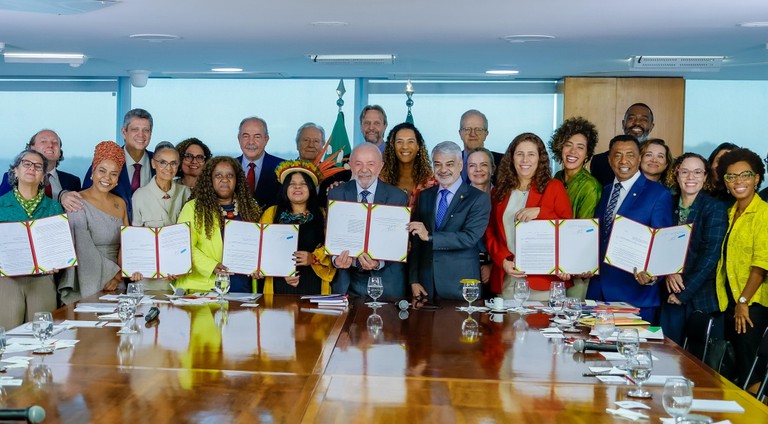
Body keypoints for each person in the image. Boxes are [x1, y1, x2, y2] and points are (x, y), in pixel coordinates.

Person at [587, 135, 673, 323]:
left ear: (639, 158)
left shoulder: (658, 194)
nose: (623, 161)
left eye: (630, 155)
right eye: (617, 155)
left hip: (635, 296)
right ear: (610, 160)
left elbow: (663, 244)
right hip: (597, 293)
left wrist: (653, 276)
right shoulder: (606, 191)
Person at [484, 133, 572, 300]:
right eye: (520, 154)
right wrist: (502, 260)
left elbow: (568, 229)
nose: (525, 160)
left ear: (540, 159)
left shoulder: (554, 187)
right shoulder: (498, 191)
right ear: (512, 158)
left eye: (531, 154)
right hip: (508, 279)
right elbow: (490, 232)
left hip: (544, 283)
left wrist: (540, 212)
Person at [408, 141, 490, 304]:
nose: (443, 170)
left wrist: (430, 237)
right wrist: (414, 279)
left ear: (460, 165)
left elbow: (469, 238)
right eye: (438, 164)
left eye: (449, 164)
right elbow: (416, 241)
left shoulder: (478, 198)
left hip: (461, 286)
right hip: (426, 285)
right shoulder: (425, 196)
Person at [714, 148, 768, 391]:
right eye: (731, 176)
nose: (738, 181)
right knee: (735, 368)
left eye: (745, 175)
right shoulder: (730, 213)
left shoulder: (764, 213)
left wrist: (743, 301)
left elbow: (762, 263)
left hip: (751, 305)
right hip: (731, 302)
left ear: (756, 178)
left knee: (751, 369)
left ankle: (759, 410)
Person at [660, 153, 728, 345]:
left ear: (705, 177)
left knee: (698, 360)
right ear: (676, 174)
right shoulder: (667, 203)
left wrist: (684, 292)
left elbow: (710, 255)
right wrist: (669, 272)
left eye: (698, 172)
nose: (691, 177)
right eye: (685, 172)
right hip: (669, 292)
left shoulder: (714, 208)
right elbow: (659, 245)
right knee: (667, 354)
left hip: (700, 298)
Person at [328, 143, 408, 300]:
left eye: (371, 164)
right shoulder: (336, 194)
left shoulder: (397, 197)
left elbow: (398, 243)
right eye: (358, 164)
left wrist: (379, 263)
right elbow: (330, 234)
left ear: (380, 166)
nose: (364, 170)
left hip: (385, 281)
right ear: (351, 165)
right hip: (347, 281)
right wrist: (336, 260)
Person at [175, 157, 262, 293]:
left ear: (237, 180)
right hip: (203, 289)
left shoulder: (250, 207)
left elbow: (259, 246)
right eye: (218, 176)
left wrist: (259, 266)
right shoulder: (193, 208)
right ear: (210, 180)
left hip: (243, 290)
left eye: (230, 175)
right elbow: (183, 246)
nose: (225, 180)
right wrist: (212, 266)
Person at [59, 141, 130, 304]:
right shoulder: (76, 201)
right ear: (92, 172)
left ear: (117, 179)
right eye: (102, 171)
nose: (107, 178)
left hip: (116, 280)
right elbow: (82, 246)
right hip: (87, 276)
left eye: (113, 174)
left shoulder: (120, 203)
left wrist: (118, 276)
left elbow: (126, 243)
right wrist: (111, 274)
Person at [0, 149, 63, 329]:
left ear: (43, 176)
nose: (32, 168)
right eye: (26, 164)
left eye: (38, 166)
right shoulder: (1, 205)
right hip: (7, 280)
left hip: (43, 279)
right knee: (8, 333)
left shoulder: (55, 208)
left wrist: (57, 260)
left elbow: (59, 247)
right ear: (15, 171)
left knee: (42, 333)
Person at [62, 108, 155, 222]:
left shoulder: (159, 163)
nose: (141, 135)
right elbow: (86, 199)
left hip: (151, 229)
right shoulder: (104, 162)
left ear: (150, 134)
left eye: (146, 130)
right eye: (135, 129)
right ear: (124, 132)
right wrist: (63, 195)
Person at [259, 160, 335, 295]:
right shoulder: (271, 213)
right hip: (278, 283)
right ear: (285, 188)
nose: (297, 187)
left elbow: (333, 247)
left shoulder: (324, 214)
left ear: (311, 188)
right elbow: (261, 249)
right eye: (292, 184)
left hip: (314, 282)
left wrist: (313, 258)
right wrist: (281, 271)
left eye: (303, 184)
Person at [130, 141, 192, 290]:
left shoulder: (186, 193)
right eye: (163, 162)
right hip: (148, 278)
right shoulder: (140, 195)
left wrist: (181, 266)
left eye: (173, 163)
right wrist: (135, 268)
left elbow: (190, 236)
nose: (168, 168)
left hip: (179, 276)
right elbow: (135, 239)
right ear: (153, 163)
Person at [0, 129, 81, 199]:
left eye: (55, 142)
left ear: (60, 151)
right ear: (32, 148)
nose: (50, 145)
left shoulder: (73, 181)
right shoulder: (14, 176)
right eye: (43, 141)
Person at [549, 116, 602, 219]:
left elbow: (584, 227)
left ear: (587, 154)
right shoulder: (558, 176)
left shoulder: (590, 186)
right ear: (560, 148)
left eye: (580, 147)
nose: (573, 151)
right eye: (568, 145)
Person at [591, 103, 655, 187]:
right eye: (631, 118)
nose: (637, 123)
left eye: (644, 119)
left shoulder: (657, 163)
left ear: (651, 126)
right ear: (623, 124)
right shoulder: (600, 161)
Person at [380, 122, 435, 209]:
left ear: (418, 146)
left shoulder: (431, 181)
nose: (405, 147)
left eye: (410, 141)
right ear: (392, 146)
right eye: (399, 142)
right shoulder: (381, 180)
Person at [236, 116, 285, 209]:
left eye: (257, 136)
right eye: (246, 136)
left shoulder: (282, 168)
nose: (251, 142)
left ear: (266, 139)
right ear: (239, 139)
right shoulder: (228, 167)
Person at [466, 148, 495, 287]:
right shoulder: (457, 199)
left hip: (499, 268)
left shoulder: (503, 198)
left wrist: (493, 266)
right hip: (465, 268)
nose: (478, 170)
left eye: (483, 165)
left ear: (493, 169)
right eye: (472, 165)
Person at [458, 109, 503, 181]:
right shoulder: (450, 162)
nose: (473, 134)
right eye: (467, 129)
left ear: (486, 134)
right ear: (460, 133)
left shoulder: (503, 162)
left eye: (478, 129)